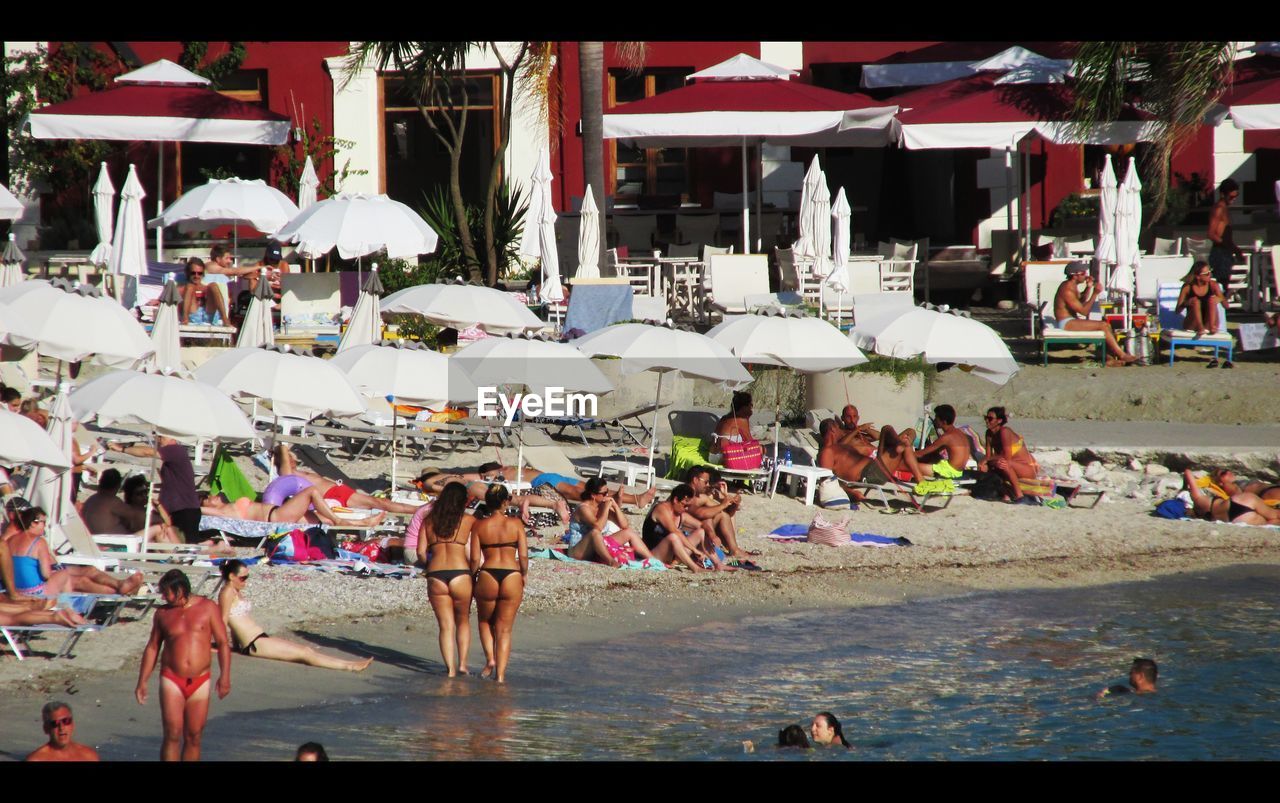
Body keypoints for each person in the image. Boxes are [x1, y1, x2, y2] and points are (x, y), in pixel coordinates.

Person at [136, 569, 231, 762]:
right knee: (172, 734)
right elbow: (153, 647)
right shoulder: (163, 614)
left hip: (200, 680)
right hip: (172, 678)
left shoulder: (208, 607)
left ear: (179, 590)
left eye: (166, 592)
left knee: (194, 736)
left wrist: (225, 677)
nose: (163, 596)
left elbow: (222, 643)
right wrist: (142, 681)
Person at [217, 560, 373, 671]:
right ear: (231, 576)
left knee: (306, 650)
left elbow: (236, 622)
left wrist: (236, 646)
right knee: (304, 653)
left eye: (247, 577)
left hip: (259, 639)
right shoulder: (227, 592)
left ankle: (349, 664)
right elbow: (223, 621)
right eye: (243, 578)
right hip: (254, 644)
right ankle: (349, 666)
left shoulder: (235, 591)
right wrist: (222, 647)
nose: (246, 581)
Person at [4, 506, 146, 597]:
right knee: (79, 580)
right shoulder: (38, 541)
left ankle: (120, 586)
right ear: (33, 523)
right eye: (43, 523)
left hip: (17, 587)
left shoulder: (10, 541)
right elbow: (46, 574)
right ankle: (118, 592)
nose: (45, 527)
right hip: (33, 590)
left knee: (89, 570)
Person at [470, 485, 528, 683]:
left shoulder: (479, 525)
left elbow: (475, 559)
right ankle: (501, 677)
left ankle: (490, 660)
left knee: (485, 621)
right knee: (504, 629)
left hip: (488, 573)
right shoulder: (516, 524)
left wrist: (472, 577)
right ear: (506, 501)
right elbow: (524, 555)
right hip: (512, 573)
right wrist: (524, 574)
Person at [266, 444, 422, 515]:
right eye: (290, 458)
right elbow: (286, 472)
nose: (293, 460)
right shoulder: (286, 474)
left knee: (378, 503)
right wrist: (282, 448)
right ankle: (419, 510)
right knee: (380, 503)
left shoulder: (298, 472)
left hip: (338, 491)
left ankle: (419, 510)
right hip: (333, 496)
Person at [419, 483, 475, 677]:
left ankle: (450, 669)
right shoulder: (468, 520)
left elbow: (420, 553)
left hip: (436, 575)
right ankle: (463, 665)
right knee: (463, 621)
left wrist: (428, 563)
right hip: (461, 573)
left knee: (445, 625)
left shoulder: (428, 521)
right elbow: (474, 553)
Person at [107, 437, 205, 544]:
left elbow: (147, 452)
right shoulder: (175, 455)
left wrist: (122, 449)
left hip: (185, 509)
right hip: (178, 509)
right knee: (180, 544)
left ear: (172, 438)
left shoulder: (176, 450)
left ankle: (217, 548)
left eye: (161, 437)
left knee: (186, 547)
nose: (158, 440)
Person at [566, 477, 669, 567]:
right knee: (595, 533)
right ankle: (611, 561)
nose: (607, 495)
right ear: (593, 495)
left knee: (628, 532)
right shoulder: (583, 509)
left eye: (608, 491)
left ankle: (654, 560)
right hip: (578, 551)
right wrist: (606, 509)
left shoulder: (601, 505)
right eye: (604, 493)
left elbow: (624, 525)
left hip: (596, 547)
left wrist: (615, 506)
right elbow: (598, 527)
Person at [1052, 261, 1138, 366]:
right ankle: (1122, 355)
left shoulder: (1071, 285)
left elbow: (1081, 301)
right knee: (1102, 325)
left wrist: (1088, 287)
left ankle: (1109, 358)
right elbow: (1084, 311)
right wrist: (1095, 293)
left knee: (1105, 324)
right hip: (1066, 323)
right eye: (1083, 273)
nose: (1086, 275)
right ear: (1074, 276)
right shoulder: (1067, 290)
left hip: (1071, 320)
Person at [640, 484, 730, 572]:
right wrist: (694, 549)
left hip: (672, 555)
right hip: (653, 554)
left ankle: (718, 564)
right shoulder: (661, 509)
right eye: (684, 505)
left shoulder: (681, 515)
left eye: (688, 506)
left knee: (701, 532)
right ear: (675, 500)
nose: (686, 509)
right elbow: (675, 531)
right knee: (673, 537)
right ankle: (695, 568)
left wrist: (712, 534)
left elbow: (702, 525)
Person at [82, 468, 181, 544]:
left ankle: (178, 555)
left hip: (101, 541)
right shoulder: (111, 501)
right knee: (160, 528)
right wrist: (160, 520)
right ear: (117, 486)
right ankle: (178, 556)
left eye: (145, 492)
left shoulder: (90, 500)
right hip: (115, 544)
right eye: (139, 494)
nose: (143, 496)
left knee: (163, 529)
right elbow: (136, 516)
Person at [684, 466, 758, 561]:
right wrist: (723, 505)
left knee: (721, 514)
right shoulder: (684, 494)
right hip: (686, 535)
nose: (707, 485)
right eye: (705, 482)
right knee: (713, 514)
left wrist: (733, 502)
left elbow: (727, 512)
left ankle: (734, 549)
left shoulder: (701, 497)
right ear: (695, 480)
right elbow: (701, 513)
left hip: (697, 531)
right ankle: (731, 549)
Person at [200, 491, 386, 528]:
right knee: (312, 492)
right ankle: (340, 520)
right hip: (275, 516)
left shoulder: (227, 505)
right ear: (205, 505)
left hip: (278, 514)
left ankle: (364, 523)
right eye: (209, 498)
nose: (214, 496)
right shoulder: (222, 512)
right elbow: (195, 509)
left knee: (325, 521)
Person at [978, 407, 1040, 504]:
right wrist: (983, 463)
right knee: (989, 465)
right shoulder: (989, 434)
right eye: (986, 417)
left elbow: (1007, 456)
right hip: (1013, 465)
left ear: (999, 420)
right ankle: (1005, 493)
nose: (986, 420)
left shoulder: (1005, 431)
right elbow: (988, 455)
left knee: (1004, 463)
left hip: (1027, 468)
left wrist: (988, 459)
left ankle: (1020, 496)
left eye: (990, 419)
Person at [1182, 469, 1280, 525]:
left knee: (1267, 522)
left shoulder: (1200, 504)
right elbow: (1187, 472)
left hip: (1238, 519)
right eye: (1224, 472)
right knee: (1275, 515)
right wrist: (1185, 487)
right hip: (1239, 501)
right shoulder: (1200, 499)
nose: (1229, 472)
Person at [909, 404, 972, 480]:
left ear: (944, 422)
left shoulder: (947, 437)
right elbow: (935, 451)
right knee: (935, 456)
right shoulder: (960, 434)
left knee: (907, 465)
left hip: (948, 472)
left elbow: (920, 454)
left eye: (936, 418)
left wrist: (906, 453)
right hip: (958, 472)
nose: (934, 420)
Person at [25, 701, 100, 761]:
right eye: (55, 723)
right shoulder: (37, 759)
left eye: (66, 721)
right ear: (46, 729)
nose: (61, 727)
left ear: (72, 725)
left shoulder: (89, 756)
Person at [1207, 178, 1244, 289]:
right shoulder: (1219, 209)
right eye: (1231, 197)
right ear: (1223, 194)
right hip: (1219, 253)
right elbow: (1211, 234)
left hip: (1225, 252)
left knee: (1224, 285)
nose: (1234, 200)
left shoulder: (1225, 209)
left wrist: (1235, 249)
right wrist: (1227, 246)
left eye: (1236, 196)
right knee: (1221, 286)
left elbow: (1226, 237)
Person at [1176, 260, 1228, 339]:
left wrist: (1220, 298)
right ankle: (1200, 328)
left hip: (1209, 322)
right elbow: (1177, 311)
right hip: (1193, 324)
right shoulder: (1187, 287)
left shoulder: (1213, 285)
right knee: (1195, 301)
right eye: (1207, 274)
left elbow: (1226, 306)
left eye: (1210, 272)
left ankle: (1212, 327)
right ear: (1198, 276)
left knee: (1211, 300)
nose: (1210, 275)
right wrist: (1187, 303)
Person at [178, 258, 230, 327]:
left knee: (213, 285)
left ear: (203, 274)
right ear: (188, 273)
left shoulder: (207, 288)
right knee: (190, 287)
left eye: (199, 273)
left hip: (209, 316)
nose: (196, 276)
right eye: (193, 273)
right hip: (192, 317)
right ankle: (185, 319)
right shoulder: (182, 288)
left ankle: (225, 319)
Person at [710, 391, 755, 463]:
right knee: (761, 449)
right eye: (750, 405)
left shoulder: (725, 417)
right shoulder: (741, 420)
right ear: (743, 407)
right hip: (725, 457)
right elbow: (750, 442)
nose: (752, 406)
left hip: (712, 456)